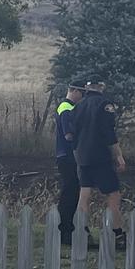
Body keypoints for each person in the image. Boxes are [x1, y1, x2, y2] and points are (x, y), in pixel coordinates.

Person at [73, 78, 127, 249]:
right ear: (102, 86)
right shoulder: (105, 104)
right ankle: (116, 233)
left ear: (87, 88)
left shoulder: (79, 105)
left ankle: (83, 231)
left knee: (84, 194)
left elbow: (74, 131)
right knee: (113, 194)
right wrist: (118, 155)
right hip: (101, 156)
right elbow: (108, 132)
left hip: (82, 156)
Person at [54, 81, 85, 245]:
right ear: (73, 91)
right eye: (81, 93)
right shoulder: (66, 108)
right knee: (69, 191)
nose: (83, 97)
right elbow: (69, 135)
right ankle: (64, 229)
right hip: (68, 155)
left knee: (72, 191)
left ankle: (68, 227)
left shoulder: (68, 107)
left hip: (66, 155)